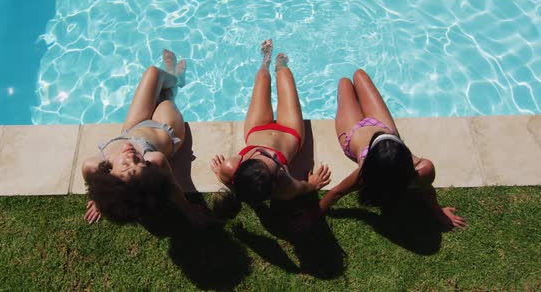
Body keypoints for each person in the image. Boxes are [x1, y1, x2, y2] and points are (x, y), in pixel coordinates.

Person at [311, 69, 467, 230]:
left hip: (353, 133)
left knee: (345, 82)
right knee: (359, 75)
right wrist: (438, 212)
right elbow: (427, 189)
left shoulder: (365, 174)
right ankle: (383, 130)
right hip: (383, 126)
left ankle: (352, 94)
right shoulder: (423, 168)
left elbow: (336, 192)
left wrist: (311, 218)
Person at [82, 49, 210, 226]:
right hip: (166, 129)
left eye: (125, 165)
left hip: (133, 129)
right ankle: (178, 78)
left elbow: (90, 180)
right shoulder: (154, 159)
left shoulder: (91, 165)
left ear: (109, 177)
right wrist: (187, 209)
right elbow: (172, 186)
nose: (132, 157)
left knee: (153, 73)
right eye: (139, 163)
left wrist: (98, 200)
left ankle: (172, 74)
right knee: (166, 96)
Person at [210, 39, 331, 206]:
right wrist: (312, 184)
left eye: (262, 158)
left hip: (256, 129)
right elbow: (302, 188)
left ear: (240, 169)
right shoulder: (284, 186)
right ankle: (280, 64)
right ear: (274, 182)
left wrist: (221, 173)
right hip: (290, 132)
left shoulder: (230, 166)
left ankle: (265, 60)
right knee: (285, 75)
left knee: (261, 79)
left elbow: (226, 179)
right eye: (273, 163)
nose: (273, 154)